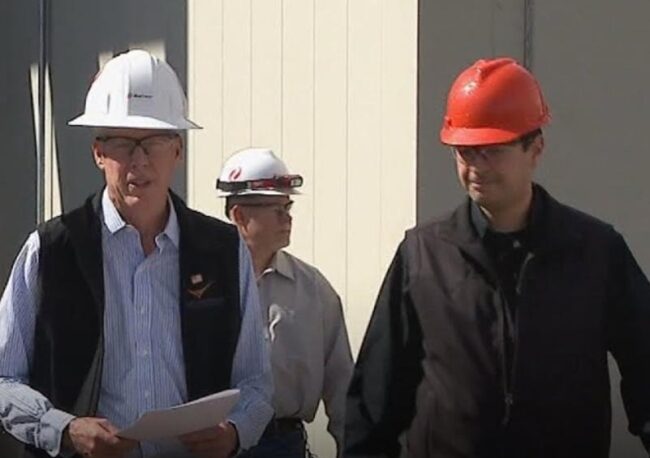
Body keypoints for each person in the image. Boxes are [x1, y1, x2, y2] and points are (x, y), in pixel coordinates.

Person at [344, 57, 650, 458]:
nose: (476, 167)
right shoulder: (424, 255)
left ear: (535, 149)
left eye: (492, 151)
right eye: (465, 152)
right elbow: (375, 397)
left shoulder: (596, 252)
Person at [0, 49, 273, 458]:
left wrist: (235, 431)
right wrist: (65, 430)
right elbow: (4, 377)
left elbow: (256, 380)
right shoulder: (51, 251)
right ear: (98, 152)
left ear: (177, 151)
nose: (139, 161)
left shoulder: (222, 250)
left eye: (154, 143)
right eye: (123, 143)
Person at [217, 148, 353, 458]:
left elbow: (342, 383)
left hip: (284, 443)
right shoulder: (201, 284)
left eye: (288, 207)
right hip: (214, 444)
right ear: (239, 215)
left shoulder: (313, 289)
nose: (287, 218)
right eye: (276, 209)